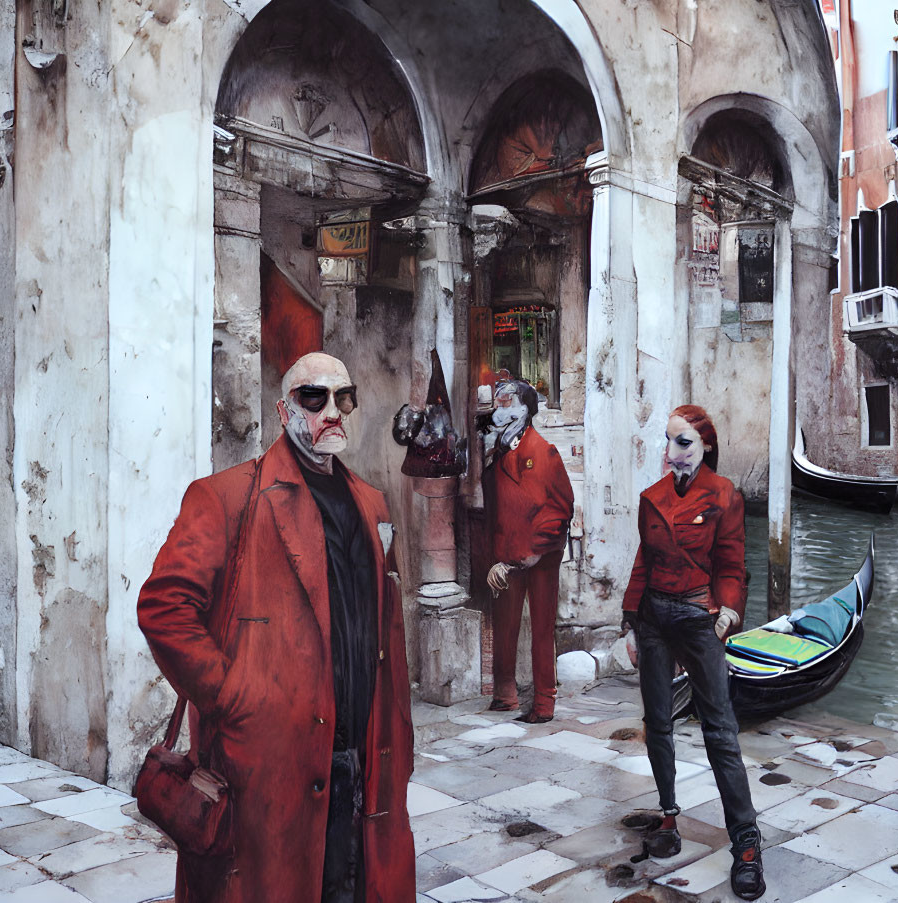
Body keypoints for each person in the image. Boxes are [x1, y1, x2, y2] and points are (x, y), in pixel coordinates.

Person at [137, 352, 414, 903]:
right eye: (315, 398)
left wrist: (398, 730)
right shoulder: (225, 496)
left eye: (344, 398)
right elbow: (165, 607)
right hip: (267, 764)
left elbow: (384, 628)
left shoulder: (370, 502)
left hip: (362, 753)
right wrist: (235, 695)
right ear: (285, 410)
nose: (332, 411)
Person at [621, 404, 765, 901]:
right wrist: (630, 622)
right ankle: (667, 816)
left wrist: (728, 611)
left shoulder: (724, 495)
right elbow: (644, 560)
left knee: (720, 730)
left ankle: (746, 843)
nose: (672, 454)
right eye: (669, 442)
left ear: (705, 445)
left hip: (700, 619)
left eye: (683, 443)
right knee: (657, 722)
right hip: (654, 618)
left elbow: (731, 564)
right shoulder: (651, 498)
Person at [482, 378, 574, 724]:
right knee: (504, 625)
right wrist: (499, 557)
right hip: (506, 557)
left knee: (541, 631)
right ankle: (504, 695)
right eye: (497, 402)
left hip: (539, 559)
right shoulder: (499, 451)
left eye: (506, 402)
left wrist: (532, 552)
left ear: (525, 409)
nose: (498, 409)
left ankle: (543, 703)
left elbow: (562, 507)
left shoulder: (543, 452)